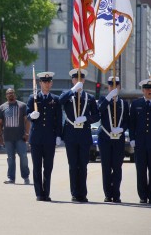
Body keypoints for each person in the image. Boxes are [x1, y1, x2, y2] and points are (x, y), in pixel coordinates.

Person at [59, 69, 100, 202]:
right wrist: (73, 90)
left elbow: (96, 115)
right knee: (72, 165)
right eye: (76, 79)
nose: (79, 81)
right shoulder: (67, 95)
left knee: (83, 165)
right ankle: (74, 193)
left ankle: (83, 193)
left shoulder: (89, 97)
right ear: (73, 80)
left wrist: (86, 119)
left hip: (84, 134)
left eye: (81, 79)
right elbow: (60, 101)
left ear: (84, 80)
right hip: (71, 135)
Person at [27, 72, 62, 201]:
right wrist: (32, 116)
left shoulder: (55, 99)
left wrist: (58, 135)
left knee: (48, 167)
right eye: (44, 82)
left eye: (49, 82)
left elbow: (58, 119)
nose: (47, 84)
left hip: (49, 138)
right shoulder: (33, 98)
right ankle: (38, 193)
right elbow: (27, 114)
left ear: (51, 83)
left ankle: (46, 192)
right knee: (37, 167)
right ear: (40, 83)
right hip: (36, 138)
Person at [97, 76, 129, 203]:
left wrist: (121, 129)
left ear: (119, 87)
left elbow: (127, 120)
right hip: (105, 138)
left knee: (117, 167)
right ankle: (107, 194)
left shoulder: (123, 103)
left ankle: (116, 194)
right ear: (108, 87)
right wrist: (109, 97)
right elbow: (99, 110)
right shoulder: (102, 100)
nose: (113, 88)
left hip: (118, 139)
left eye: (116, 86)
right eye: (111, 86)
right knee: (106, 167)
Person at [0, 88, 31, 185]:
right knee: (10, 158)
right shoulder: (2, 107)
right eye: (8, 93)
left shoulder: (22, 106)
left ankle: (26, 177)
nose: (10, 94)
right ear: (6, 95)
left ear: (15, 94)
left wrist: (27, 133)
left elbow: (27, 121)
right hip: (8, 137)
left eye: (12, 93)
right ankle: (11, 178)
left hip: (20, 136)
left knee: (23, 156)